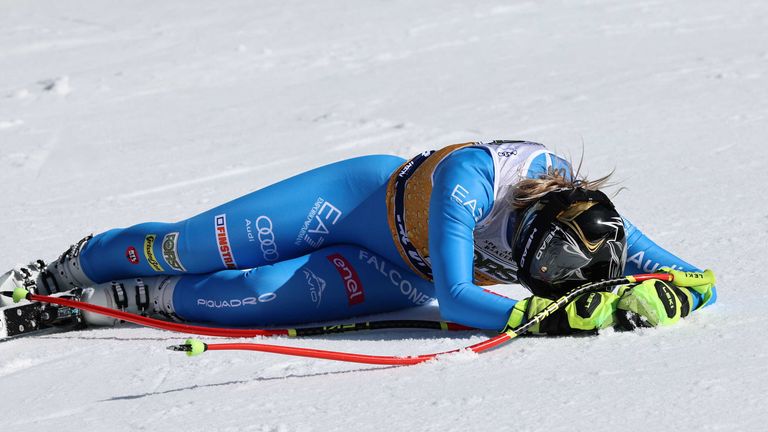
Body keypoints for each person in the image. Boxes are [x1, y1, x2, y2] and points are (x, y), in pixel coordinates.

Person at [0, 140, 716, 334]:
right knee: (187, 247)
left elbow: (697, 279)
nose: (544, 270)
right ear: (542, 208)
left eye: (555, 272)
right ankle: (73, 264)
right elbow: (460, 297)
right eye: (547, 254)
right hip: (355, 203)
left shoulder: (594, 227)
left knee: (243, 297)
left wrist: (661, 301)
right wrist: (546, 316)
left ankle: (108, 303)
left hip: (400, 272)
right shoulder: (476, 178)